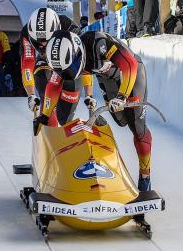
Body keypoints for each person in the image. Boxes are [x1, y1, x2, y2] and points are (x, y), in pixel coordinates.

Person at [42, 30, 153, 227]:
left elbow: (129, 65)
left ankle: (145, 178)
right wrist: (44, 115)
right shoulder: (63, 61)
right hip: (108, 78)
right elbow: (53, 88)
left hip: (131, 76)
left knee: (137, 127)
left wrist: (121, 96)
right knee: (120, 121)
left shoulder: (97, 43)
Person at [20, 8, 91, 126]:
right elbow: (27, 62)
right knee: (43, 85)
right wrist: (31, 95)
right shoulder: (26, 32)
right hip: (45, 61)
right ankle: (49, 123)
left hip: (68, 63)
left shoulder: (70, 28)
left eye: (46, 40)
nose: (42, 44)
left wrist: (89, 94)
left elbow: (84, 62)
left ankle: (65, 124)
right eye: (38, 41)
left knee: (65, 116)